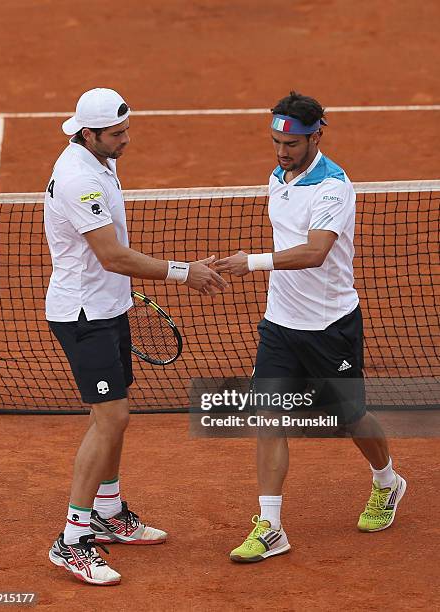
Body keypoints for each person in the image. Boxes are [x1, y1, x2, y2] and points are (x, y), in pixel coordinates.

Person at [44, 88, 227, 585]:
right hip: (84, 315)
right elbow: (113, 256)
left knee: (116, 419)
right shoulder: (81, 180)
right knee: (111, 418)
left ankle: (106, 511)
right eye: (116, 134)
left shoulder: (97, 159)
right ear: (89, 133)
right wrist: (182, 272)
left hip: (109, 307)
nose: (126, 140)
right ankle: (72, 539)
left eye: (126, 130)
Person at [215, 91, 406, 563]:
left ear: (316, 134)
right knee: (268, 417)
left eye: (293, 143)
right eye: (277, 140)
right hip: (280, 323)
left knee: (349, 416)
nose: (283, 151)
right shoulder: (277, 176)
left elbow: (316, 252)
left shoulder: (333, 187)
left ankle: (388, 481)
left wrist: (251, 262)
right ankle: (271, 525)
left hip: (329, 324)